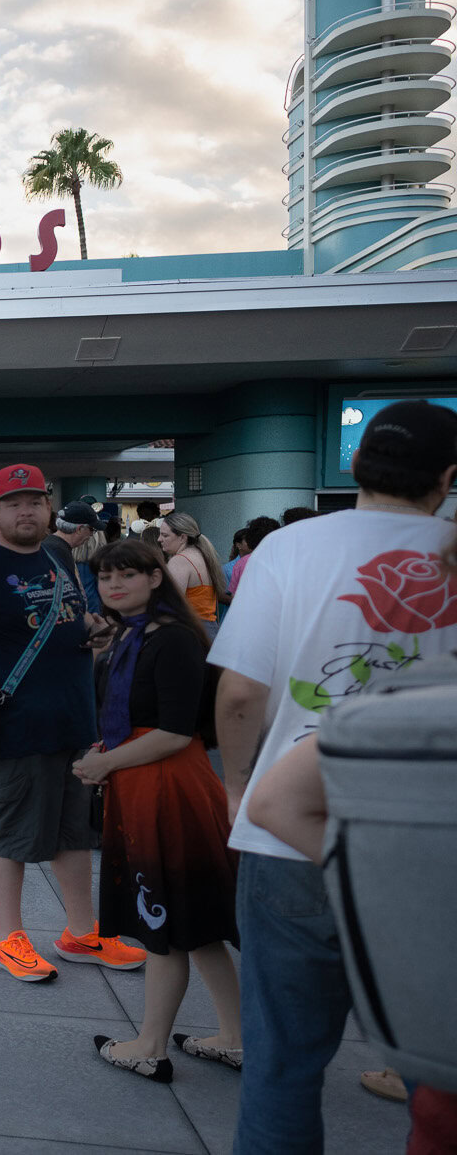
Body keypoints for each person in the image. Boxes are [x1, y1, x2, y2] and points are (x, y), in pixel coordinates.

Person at [212, 400, 457, 1155]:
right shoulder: (452, 548)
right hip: (432, 844)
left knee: (283, 1065)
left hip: (289, 835)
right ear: (448, 479)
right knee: (441, 1072)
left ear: (354, 464)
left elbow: (242, 693)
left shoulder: (290, 547)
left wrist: (238, 790)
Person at [0, 463, 148, 982]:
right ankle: (8, 937)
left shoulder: (55, 558)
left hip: (71, 721)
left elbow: (62, 616)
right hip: (12, 724)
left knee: (73, 833)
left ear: (48, 509)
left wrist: (93, 626)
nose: (26, 511)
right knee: (12, 829)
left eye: (35, 502)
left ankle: (81, 933)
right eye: (15, 503)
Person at [73, 536, 242, 1083]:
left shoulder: (171, 640)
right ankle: (235, 1038)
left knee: (162, 918)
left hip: (166, 787)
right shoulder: (133, 633)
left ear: (154, 578)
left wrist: (107, 762)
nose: (115, 584)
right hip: (148, 778)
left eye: (128, 574)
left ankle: (149, 1046)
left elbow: (174, 731)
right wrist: (109, 751)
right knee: (198, 923)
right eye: (105, 577)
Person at [157, 511, 228, 629]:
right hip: (208, 628)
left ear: (183, 538)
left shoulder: (180, 561)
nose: (159, 539)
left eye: (165, 535)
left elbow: (170, 604)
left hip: (192, 629)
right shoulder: (202, 555)